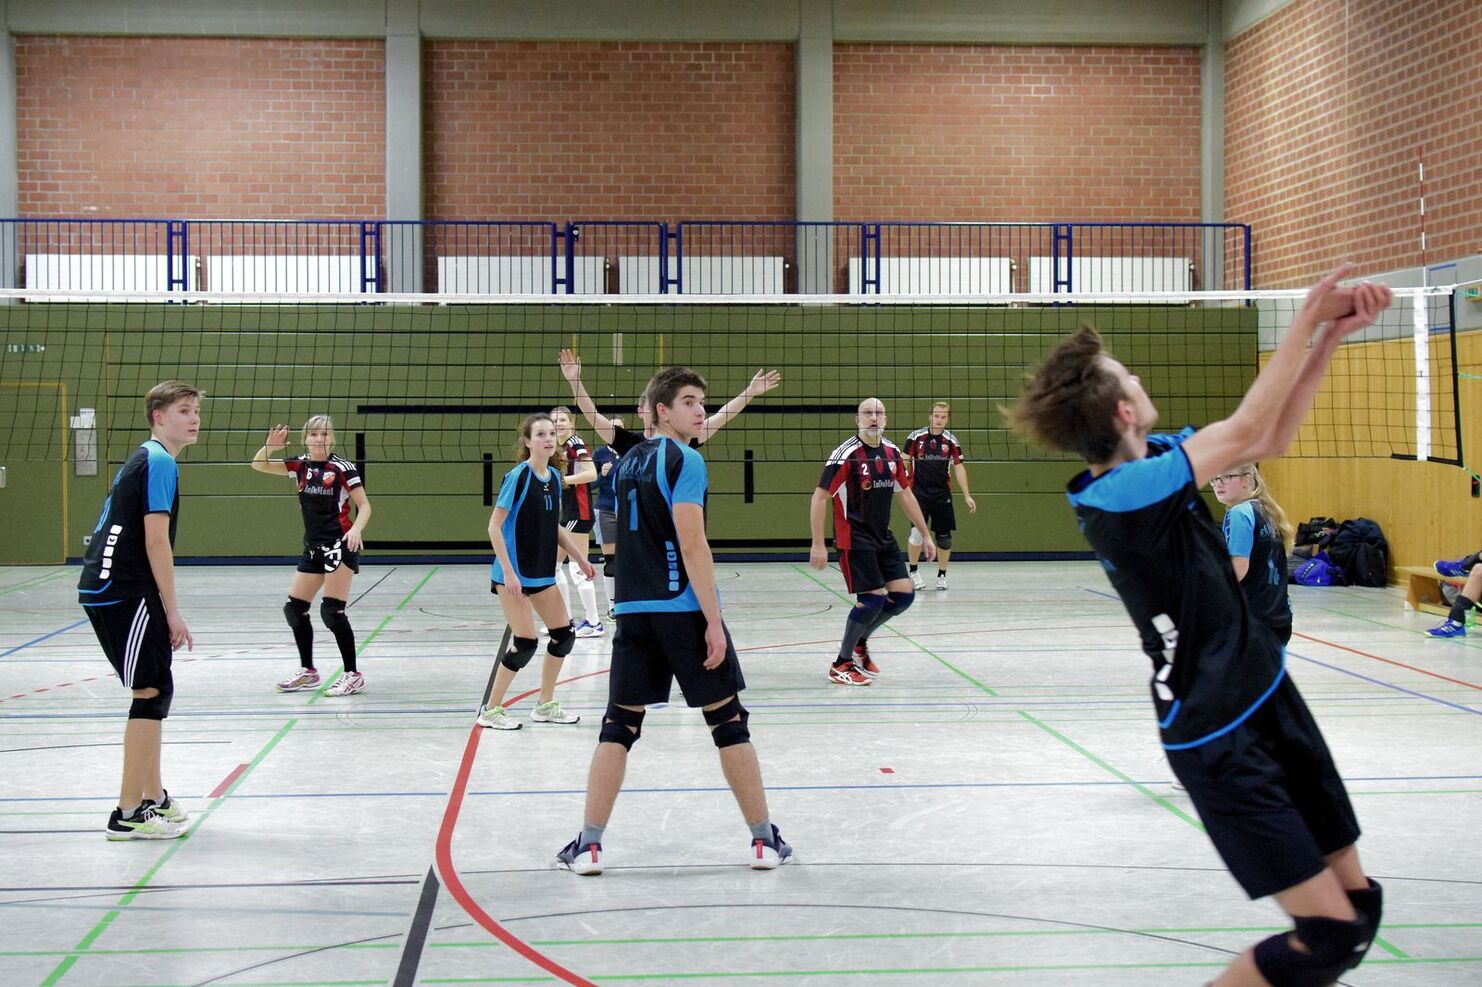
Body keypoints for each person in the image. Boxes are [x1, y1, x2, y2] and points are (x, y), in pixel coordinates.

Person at [1006, 265, 1390, 987]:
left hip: (1266, 692)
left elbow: (1270, 437)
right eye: (1128, 374)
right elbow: (1244, 427)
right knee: (1328, 936)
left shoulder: (1155, 461)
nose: (1137, 376)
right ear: (1124, 410)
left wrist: (1332, 338)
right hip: (1215, 730)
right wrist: (1305, 318)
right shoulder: (1122, 494)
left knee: (1358, 910)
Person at [555, 366, 791, 875]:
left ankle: (589, 845)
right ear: (662, 410)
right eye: (689, 402)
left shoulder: (627, 461)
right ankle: (763, 841)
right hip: (682, 609)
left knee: (618, 726)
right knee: (729, 723)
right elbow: (692, 544)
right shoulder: (686, 460)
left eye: (702, 402)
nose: (700, 410)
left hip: (633, 610)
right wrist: (713, 620)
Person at [79, 381, 201, 840]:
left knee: (154, 689)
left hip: (117, 587)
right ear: (158, 416)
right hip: (123, 590)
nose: (194, 418)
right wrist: (172, 610)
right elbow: (156, 542)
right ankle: (127, 812)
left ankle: (154, 797)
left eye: (195, 411)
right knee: (150, 692)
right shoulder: (160, 461)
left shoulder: (149, 458)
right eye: (183, 410)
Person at [478, 413, 596, 730]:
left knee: (564, 637)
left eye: (551, 433)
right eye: (540, 434)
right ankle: (490, 710)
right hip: (513, 574)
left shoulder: (555, 477)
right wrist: (508, 573)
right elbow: (494, 527)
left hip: (542, 572)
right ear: (528, 442)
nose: (548, 438)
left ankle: (544, 705)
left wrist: (580, 559)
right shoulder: (518, 477)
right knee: (526, 642)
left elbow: (553, 526)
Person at [810, 398, 936, 686]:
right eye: (867, 413)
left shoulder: (892, 453)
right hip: (854, 537)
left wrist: (925, 534)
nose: (873, 418)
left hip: (882, 536)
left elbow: (905, 494)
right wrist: (818, 543)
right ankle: (840, 664)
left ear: (886, 419)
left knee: (903, 595)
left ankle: (860, 641)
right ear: (857, 419)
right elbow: (819, 497)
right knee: (872, 599)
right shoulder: (846, 455)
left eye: (878, 413)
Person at [251, 416, 372, 696]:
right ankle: (309, 671)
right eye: (314, 434)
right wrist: (270, 447)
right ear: (306, 438)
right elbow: (258, 464)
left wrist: (356, 529)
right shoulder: (300, 465)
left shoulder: (342, 468)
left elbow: (365, 505)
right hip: (313, 547)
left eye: (324, 434)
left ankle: (353, 675)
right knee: (294, 609)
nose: (319, 439)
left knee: (332, 612)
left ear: (332, 438)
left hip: (340, 545)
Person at [558, 348, 781, 457]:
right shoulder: (628, 442)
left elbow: (722, 416)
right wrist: (574, 381)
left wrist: (750, 392)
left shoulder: (684, 439)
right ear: (641, 412)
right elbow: (592, 416)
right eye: (651, 407)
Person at [1212, 464, 1295, 645]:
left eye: (1226, 477)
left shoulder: (1239, 513)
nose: (1218, 483)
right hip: (1279, 619)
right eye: (1214, 479)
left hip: (1253, 622)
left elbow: (1238, 570)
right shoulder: (1267, 511)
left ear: (1247, 479)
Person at [903, 401, 977, 591]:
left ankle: (942, 575)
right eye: (936, 416)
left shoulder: (951, 441)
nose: (939, 419)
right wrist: (903, 485)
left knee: (944, 539)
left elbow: (959, 468)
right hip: (919, 493)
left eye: (943, 417)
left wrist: (967, 495)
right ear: (930, 416)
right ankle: (913, 572)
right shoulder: (915, 437)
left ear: (947, 419)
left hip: (941, 494)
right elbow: (903, 461)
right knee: (917, 534)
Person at [550, 405, 603, 638]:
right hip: (569, 513)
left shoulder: (575, 443)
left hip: (579, 512)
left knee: (577, 569)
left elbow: (592, 473)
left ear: (572, 423)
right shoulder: (560, 448)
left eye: (562, 420)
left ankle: (594, 623)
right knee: (553, 567)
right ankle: (566, 621)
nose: (558, 424)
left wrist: (564, 480)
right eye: (554, 421)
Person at [590, 417, 624, 620]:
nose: (615, 432)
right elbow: (588, 485)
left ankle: (628, 602)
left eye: (619, 429)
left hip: (628, 511)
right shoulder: (599, 454)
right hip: (605, 511)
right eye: (612, 428)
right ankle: (612, 606)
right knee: (611, 561)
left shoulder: (632, 451)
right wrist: (601, 475)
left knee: (630, 559)